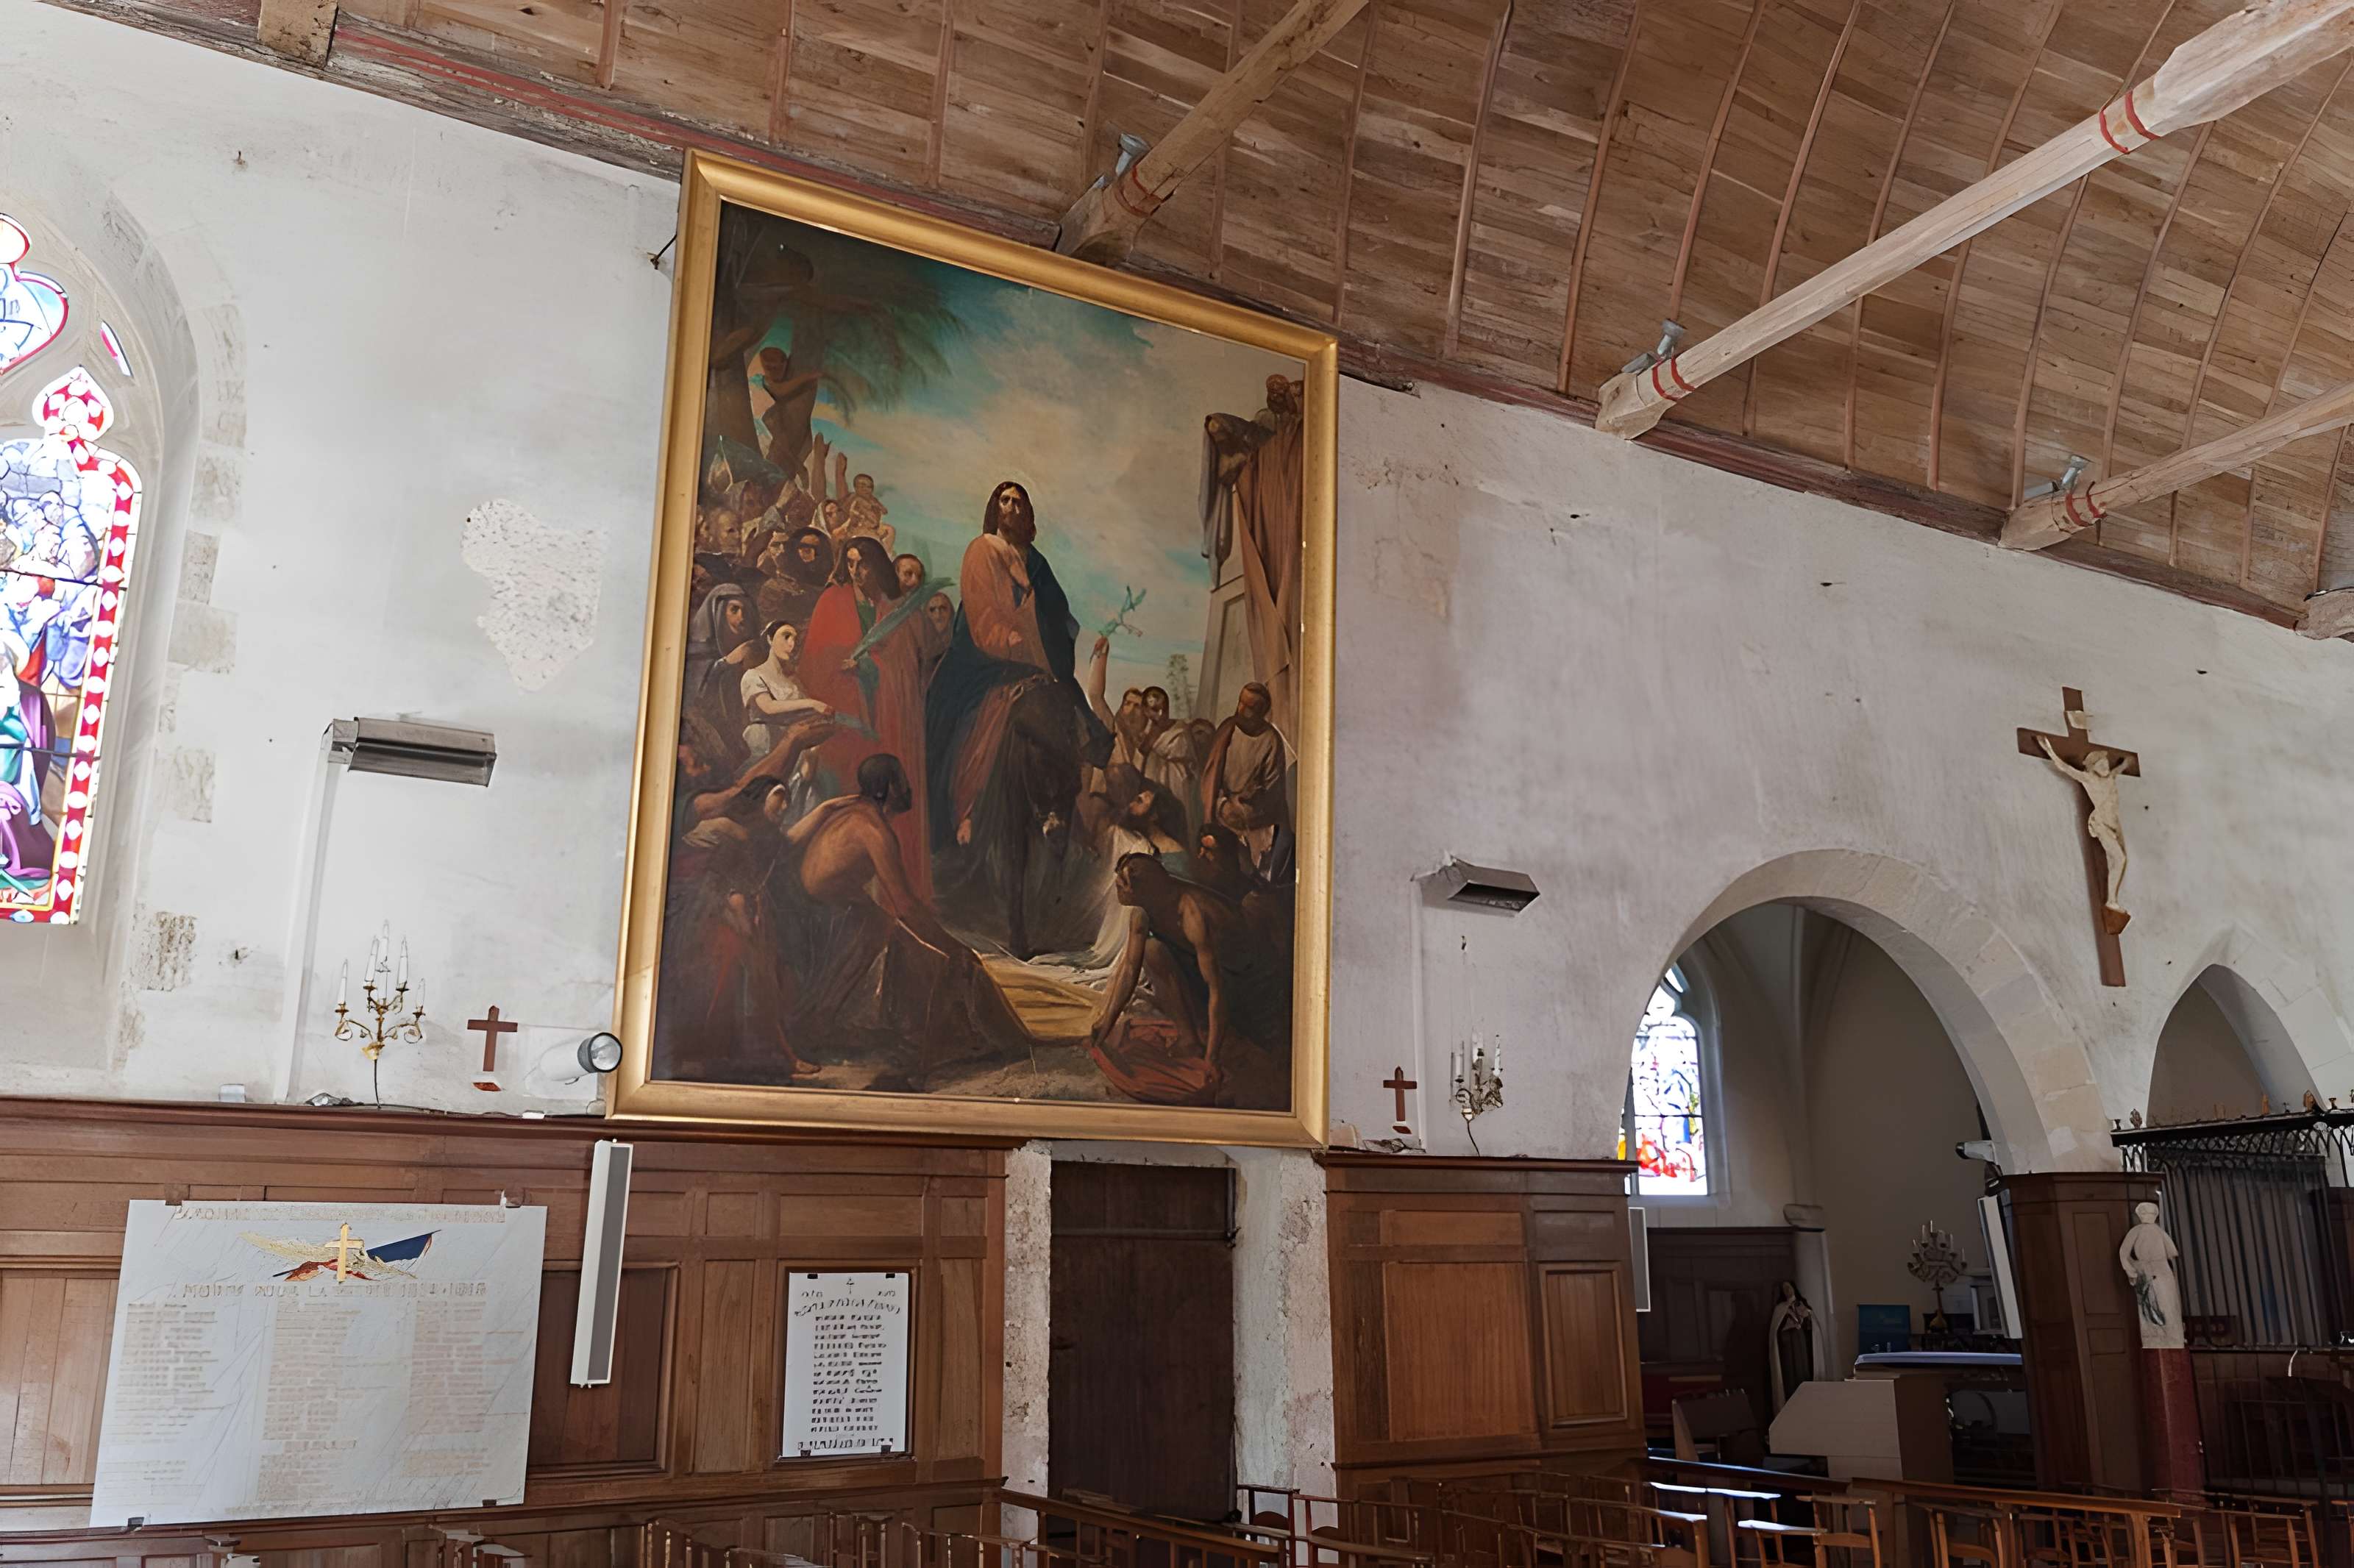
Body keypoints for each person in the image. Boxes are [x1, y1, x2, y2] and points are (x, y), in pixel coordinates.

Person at [774, 755, 1036, 1075]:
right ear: (888, 789)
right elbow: (906, 905)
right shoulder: (873, 829)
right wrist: (952, 947)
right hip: (817, 916)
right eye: (902, 782)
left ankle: (888, 1029)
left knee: (888, 931)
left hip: (830, 906)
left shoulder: (859, 814)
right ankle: (938, 1039)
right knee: (926, 954)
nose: (908, 789)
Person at [927, 480, 1108, 852]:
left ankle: (1065, 812)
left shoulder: (1035, 561)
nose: (1011, 507)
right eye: (1005, 500)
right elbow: (980, 606)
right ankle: (964, 813)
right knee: (952, 719)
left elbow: (1057, 612)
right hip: (981, 657)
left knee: (1070, 711)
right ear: (995, 508)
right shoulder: (983, 549)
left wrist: (1046, 636)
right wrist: (1005, 637)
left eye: (1019, 502)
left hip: (1034, 656)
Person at [652, 774, 822, 1081]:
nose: (784, 806)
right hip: (718, 911)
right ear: (760, 799)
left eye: (786, 800)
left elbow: (790, 842)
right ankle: (771, 1056)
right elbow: (719, 883)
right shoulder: (740, 834)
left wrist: (829, 808)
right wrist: (742, 917)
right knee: (741, 971)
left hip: (748, 909)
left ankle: (777, 1054)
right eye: (778, 798)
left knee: (769, 978)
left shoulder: (765, 835)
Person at [1089, 852, 1290, 1094]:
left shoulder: (1193, 915)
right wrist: (1105, 1025)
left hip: (1247, 980)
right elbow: (1130, 969)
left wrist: (1211, 1059)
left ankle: (1207, 1044)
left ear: (1144, 889)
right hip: (1209, 972)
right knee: (1151, 951)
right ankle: (1188, 1039)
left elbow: (1218, 990)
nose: (1118, 888)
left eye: (1125, 885)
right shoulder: (1141, 912)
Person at [800, 535, 934, 895]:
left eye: (865, 564)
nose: (858, 572)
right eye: (851, 563)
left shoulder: (893, 608)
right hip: (847, 726)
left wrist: (870, 668)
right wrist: (846, 669)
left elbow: (908, 666)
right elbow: (814, 664)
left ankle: (895, 892)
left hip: (889, 721)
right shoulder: (833, 601)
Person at [1201, 682, 1289, 878]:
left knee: (1250, 877)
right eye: (1241, 703)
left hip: (1256, 822)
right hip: (1222, 815)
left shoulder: (1271, 740)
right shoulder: (1227, 730)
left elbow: (1273, 792)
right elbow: (1211, 777)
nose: (1242, 710)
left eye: (1250, 707)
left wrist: (1250, 802)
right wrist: (1223, 805)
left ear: (1262, 711)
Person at [739, 619, 831, 758]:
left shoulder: (792, 681)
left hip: (797, 742)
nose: (792, 644)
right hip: (767, 741)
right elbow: (769, 707)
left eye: (795, 640)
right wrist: (812, 703)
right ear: (770, 639)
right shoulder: (753, 675)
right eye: (786, 636)